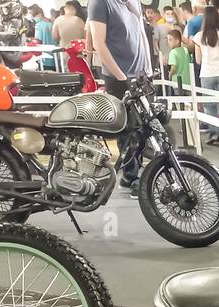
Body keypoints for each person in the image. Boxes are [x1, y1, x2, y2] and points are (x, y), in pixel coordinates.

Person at [86, 0, 152, 188]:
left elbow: (141, 35)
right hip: (119, 78)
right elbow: (99, 43)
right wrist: (122, 77)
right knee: (129, 130)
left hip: (140, 75)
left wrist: (147, 68)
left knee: (146, 127)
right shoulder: (100, 3)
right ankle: (130, 177)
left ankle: (133, 169)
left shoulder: (132, 3)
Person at [195, 4, 219, 141]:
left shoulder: (199, 37)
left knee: (209, 106)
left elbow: (198, 61)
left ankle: (213, 133)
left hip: (206, 73)